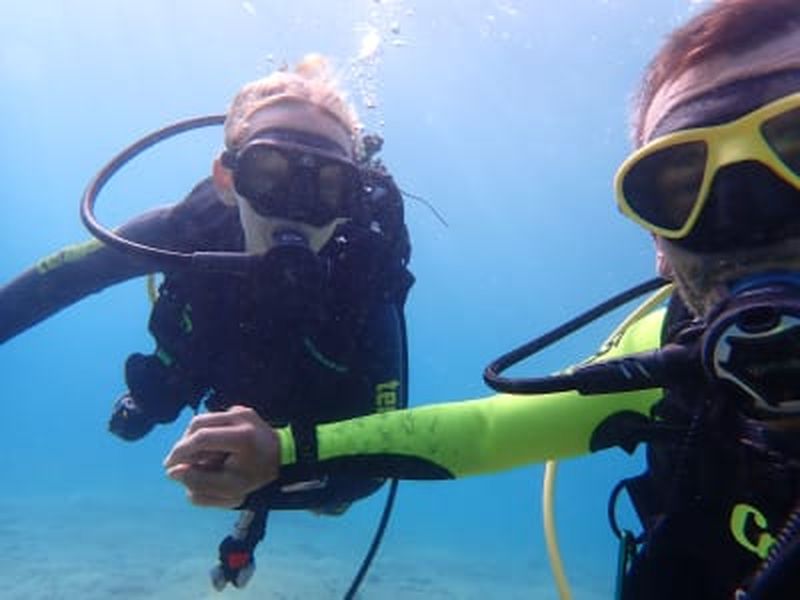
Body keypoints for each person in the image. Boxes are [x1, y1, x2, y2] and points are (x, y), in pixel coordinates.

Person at [164, 1, 800, 598]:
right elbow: (490, 431)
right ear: (658, 244)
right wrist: (283, 453)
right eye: (682, 187)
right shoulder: (664, 352)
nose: (758, 218)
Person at [0, 54, 414, 589]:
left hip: (311, 417)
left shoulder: (363, 279)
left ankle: (248, 524)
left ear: (349, 201)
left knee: (326, 502)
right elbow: (49, 286)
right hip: (204, 363)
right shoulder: (187, 227)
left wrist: (276, 470)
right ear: (227, 178)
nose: (294, 209)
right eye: (270, 175)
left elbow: (377, 466)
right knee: (155, 400)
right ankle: (161, 404)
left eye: (328, 187)